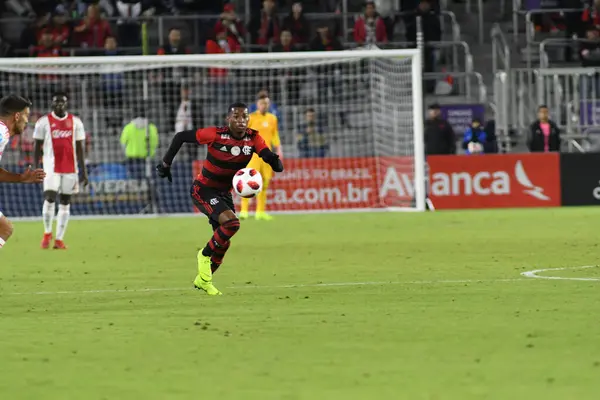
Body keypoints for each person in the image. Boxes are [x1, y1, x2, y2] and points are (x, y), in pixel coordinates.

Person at [156, 103, 284, 296]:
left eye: (244, 117)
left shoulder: (253, 138)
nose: (241, 121)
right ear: (228, 119)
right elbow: (180, 137)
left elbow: (270, 158)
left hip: (224, 193)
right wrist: (165, 164)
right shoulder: (215, 134)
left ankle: (204, 280)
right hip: (203, 189)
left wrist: (273, 159)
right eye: (236, 117)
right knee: (232, 224)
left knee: (224, 241)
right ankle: (203, 255)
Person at [33, 92, 88, 250]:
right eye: (56, 102)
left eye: (62, 102)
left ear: (66, 104)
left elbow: (80, 149)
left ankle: (59, 239)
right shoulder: (43, 122)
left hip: (71, 168)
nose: (59, 105)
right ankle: (47, 232)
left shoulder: (76, 122)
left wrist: (83, 171)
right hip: (50, 166)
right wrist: (37, 166)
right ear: (52, 104)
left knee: (65, 202)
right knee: (50, 198)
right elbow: (37, 146)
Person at [0, 95, 46, 250]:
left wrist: (20, 178)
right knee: (4, 228)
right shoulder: (1, 132)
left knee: (5, 228)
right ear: (17, 116)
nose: (27, 121)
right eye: (26, 115)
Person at [240, 94, 282, 221]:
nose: (264, 105)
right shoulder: (251, 118)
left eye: (266, 103)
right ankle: (244, 211)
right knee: (248, 181)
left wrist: (279, 148)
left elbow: (275, 135)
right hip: (253, 155)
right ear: (257, 104)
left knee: (264, 182)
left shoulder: (273, 118)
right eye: (262, 103)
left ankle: (260, 212)